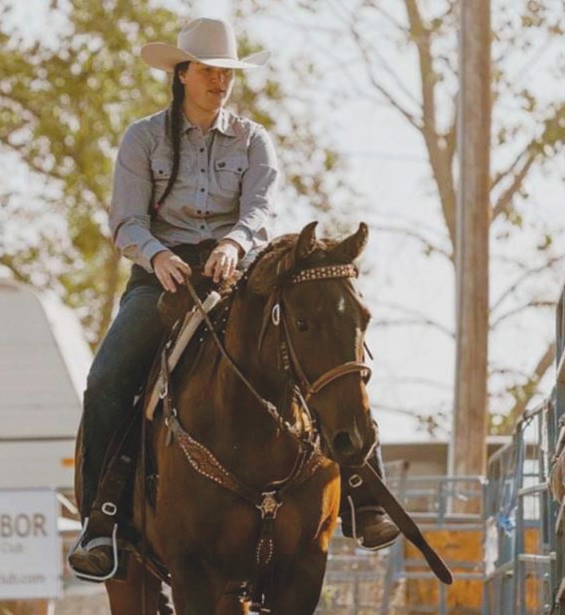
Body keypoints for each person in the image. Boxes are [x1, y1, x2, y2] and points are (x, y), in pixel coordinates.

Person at [69, 17, 397, 581]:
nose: (220, 82)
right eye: (208, 71)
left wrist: (233, 243)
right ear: (182, 74)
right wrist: (158, 256)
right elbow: (124, 222)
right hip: (162, 279)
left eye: (227, 73)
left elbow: (261, 210)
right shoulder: (142, 139)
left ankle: (364, 494)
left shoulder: (253, 139)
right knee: (107, 381)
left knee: (324, 344)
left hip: (236, 276)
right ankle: (103, 523)